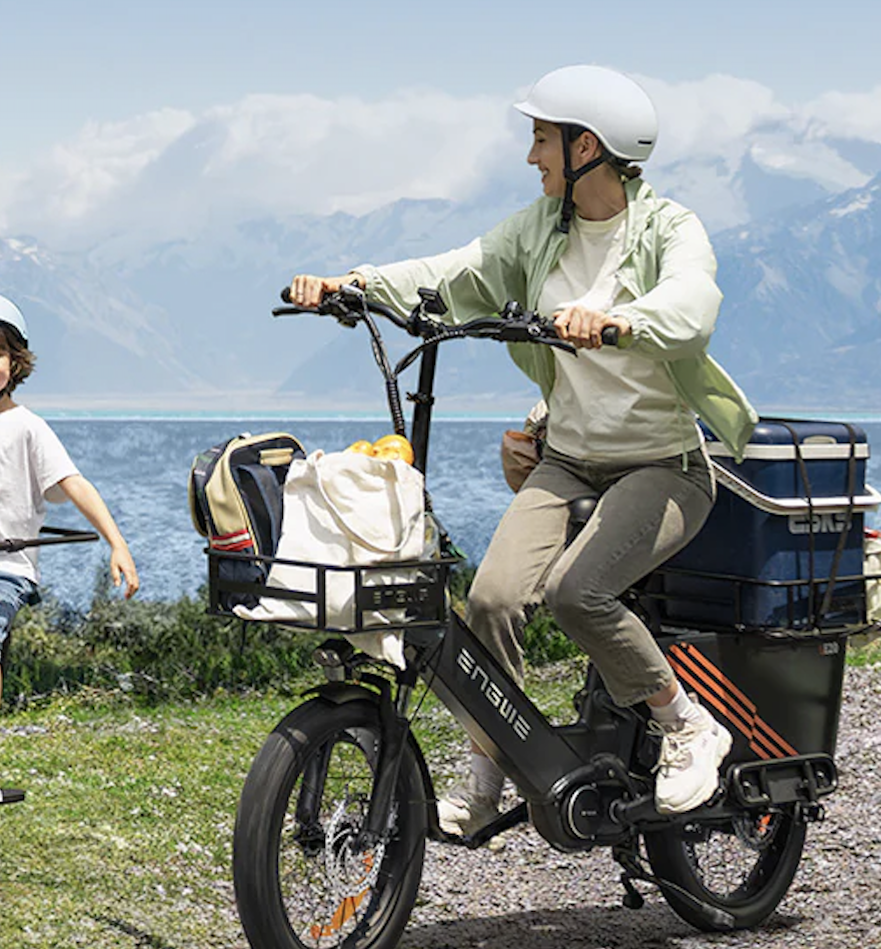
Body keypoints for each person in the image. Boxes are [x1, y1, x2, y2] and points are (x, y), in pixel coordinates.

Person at [283, 64, 760, 829]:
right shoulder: (540, 229)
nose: (531, 156)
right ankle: (493, 761)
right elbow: (455, 273)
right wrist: (353, 285)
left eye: (542, 139)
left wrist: (618, 322)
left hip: (661, 466)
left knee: (578, 593)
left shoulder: (669, 227)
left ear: (588, 147)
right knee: (489, 600)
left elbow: (692, 304)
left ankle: (688, 726)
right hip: (569, 460)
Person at [0, 291, 138, 804]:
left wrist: (117, 542)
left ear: (15, 361)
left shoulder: (27, 427)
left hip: (0, 564)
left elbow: (74, 484)